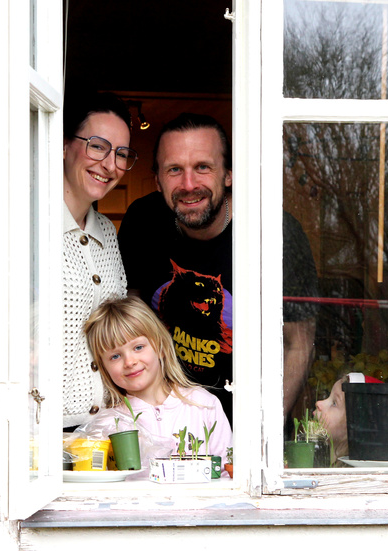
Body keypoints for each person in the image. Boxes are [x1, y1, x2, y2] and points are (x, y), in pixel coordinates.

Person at [117, 112, 318, 426]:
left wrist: (260, 434)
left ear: (229, 174)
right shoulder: (143, 221)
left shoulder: (276, 234)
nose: (188, 184)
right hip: (158, 420)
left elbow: (298, 344)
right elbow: (127, 324)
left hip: (246, 424)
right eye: (174, 170)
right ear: (157, 179)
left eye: (202, 167)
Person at [62, 91, 137, 428]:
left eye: (121, 154)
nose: (110, 165)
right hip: (41, 429)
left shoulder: (106, 231)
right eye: (97, 145)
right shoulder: (26, 224)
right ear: (63, 146)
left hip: (104, 429)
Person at [84, 297, 233, 459]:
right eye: (115, 356)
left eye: (138, 347)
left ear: (160, 347)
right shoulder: (108, 424)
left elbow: (227, 470)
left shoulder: (204, 405)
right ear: (104, 369)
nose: (129, 362)